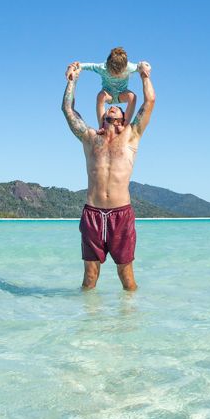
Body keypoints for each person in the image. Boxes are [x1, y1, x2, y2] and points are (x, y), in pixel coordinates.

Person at [62, 59, 155, 291]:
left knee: (126, 276)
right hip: (92, 213)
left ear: (123, 118)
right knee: (90, 278)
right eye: (109, 106)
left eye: (117, 107)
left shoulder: (131, 136)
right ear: (103, 116)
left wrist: (145, 75)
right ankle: (90, 324)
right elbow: (68, 110)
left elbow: (149, 101)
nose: (113, 105)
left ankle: (130, 322)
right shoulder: (91, 138)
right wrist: (72, 80)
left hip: (121, 215)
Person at [79, 47, 150, 130]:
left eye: (119, 73)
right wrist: (75, 66)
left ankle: (124, 124)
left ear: (125, 67)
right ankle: (102, 126)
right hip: (108, 94)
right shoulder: (102, 68)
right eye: (112, 72)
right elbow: (87, 66)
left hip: (122, 93)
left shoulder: (129, 67)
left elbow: (142, 66)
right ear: (108, 66)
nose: (115, 75)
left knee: (132, 97)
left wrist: (144, 67)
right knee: (101, 96)